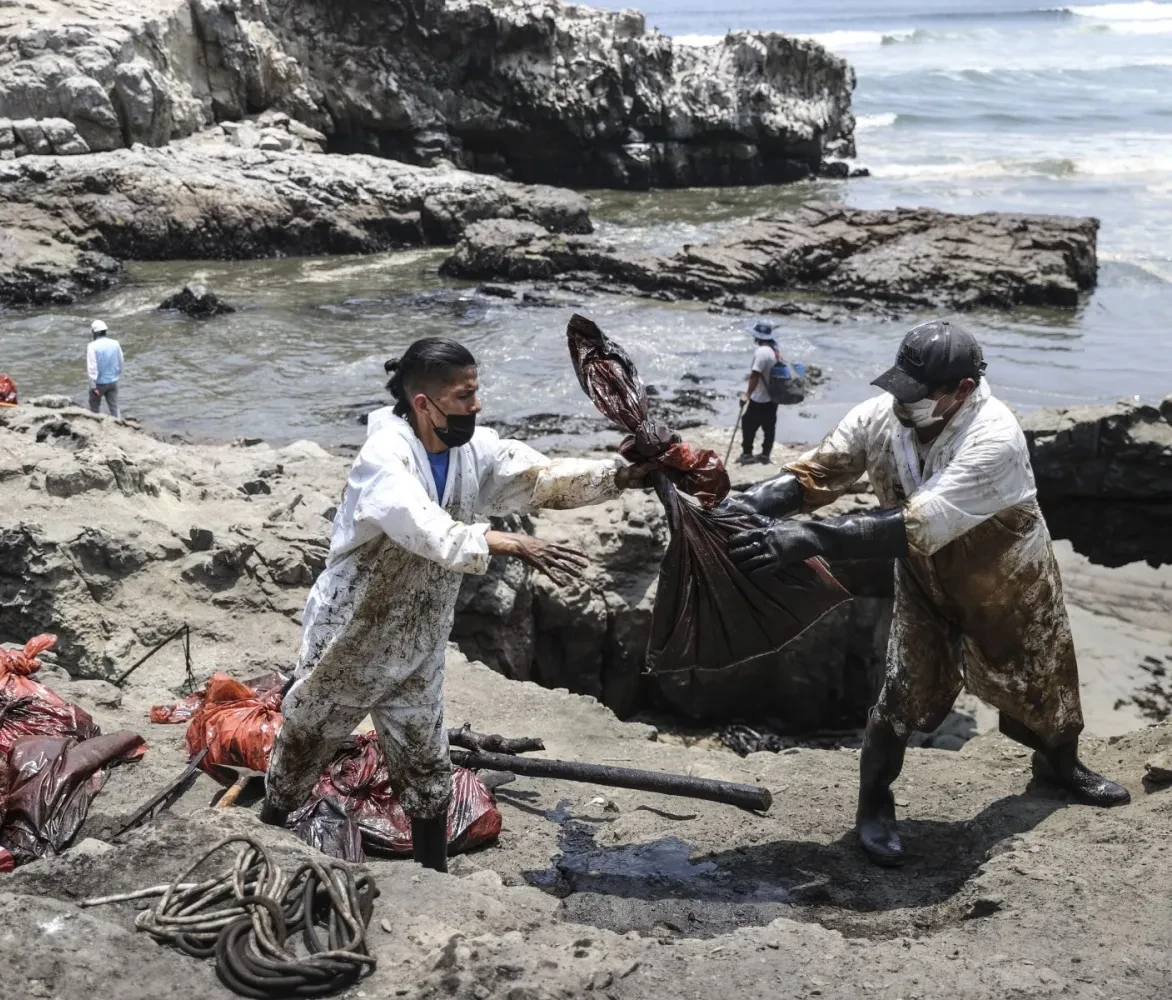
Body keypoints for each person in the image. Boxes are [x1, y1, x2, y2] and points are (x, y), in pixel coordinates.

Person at [724, 319, 1129, 867]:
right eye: (898, 386)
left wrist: (809, 538)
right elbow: (820, 471)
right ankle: (874, 805)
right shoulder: (882, 417)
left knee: (1043, 673)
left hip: (1006, 571)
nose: (901, 401)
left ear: (961, 390)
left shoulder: (995, 437)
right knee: (901, 688)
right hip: (923, 575)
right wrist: (752, 507)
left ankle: (1060, 764)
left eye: (916, 394)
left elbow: (918, 522)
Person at [262, 338, 652, 872]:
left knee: (425, 761)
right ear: (424, 403)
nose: (477, 405)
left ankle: (433, 874)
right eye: (465, 395)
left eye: (476, 392)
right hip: (353, 632)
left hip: (419, 634)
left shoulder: (472, 451)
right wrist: (507, 541)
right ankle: (268, 823)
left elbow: (536, 476)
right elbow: (424, 527)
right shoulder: (385, 458)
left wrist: (619, 475)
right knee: (308, 737)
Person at [739, 320, 783, 466]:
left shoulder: (761, 352)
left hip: (760, 398)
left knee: (748, 424)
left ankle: (747, 454)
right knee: (769, 428)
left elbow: (756, 375)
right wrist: (750, 375)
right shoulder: (774, 350)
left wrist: (747, 395)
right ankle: (765, 455)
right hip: (773, 397)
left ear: (759, 337)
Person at [86, 320, 123, 418]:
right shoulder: (115, 343)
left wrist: (93, 386)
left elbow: (92, 367)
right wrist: (117, 375)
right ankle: (118, 424)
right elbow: (121, 361)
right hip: (113, 381)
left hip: (99, 384)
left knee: (94, 407)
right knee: (114, 407)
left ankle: (96, 427)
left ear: (95, 332)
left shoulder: (92, 346)